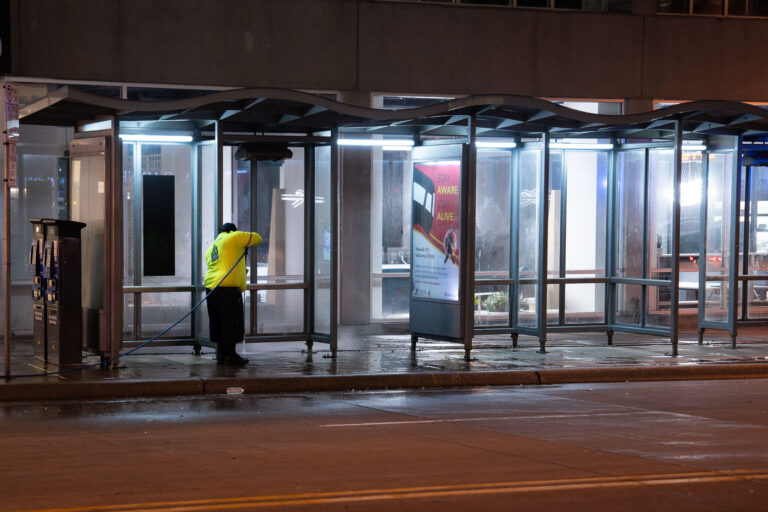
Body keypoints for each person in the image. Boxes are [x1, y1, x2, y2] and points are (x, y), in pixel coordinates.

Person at [204, 223, 262, 366]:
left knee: (217, 322)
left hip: (211, 289)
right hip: (227, 290)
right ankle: (231, 355)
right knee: (231, 322)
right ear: (232, 231)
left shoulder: (213, 246)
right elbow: (257, 238)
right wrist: (243, 241)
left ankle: (221, 355)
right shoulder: (234, 237)